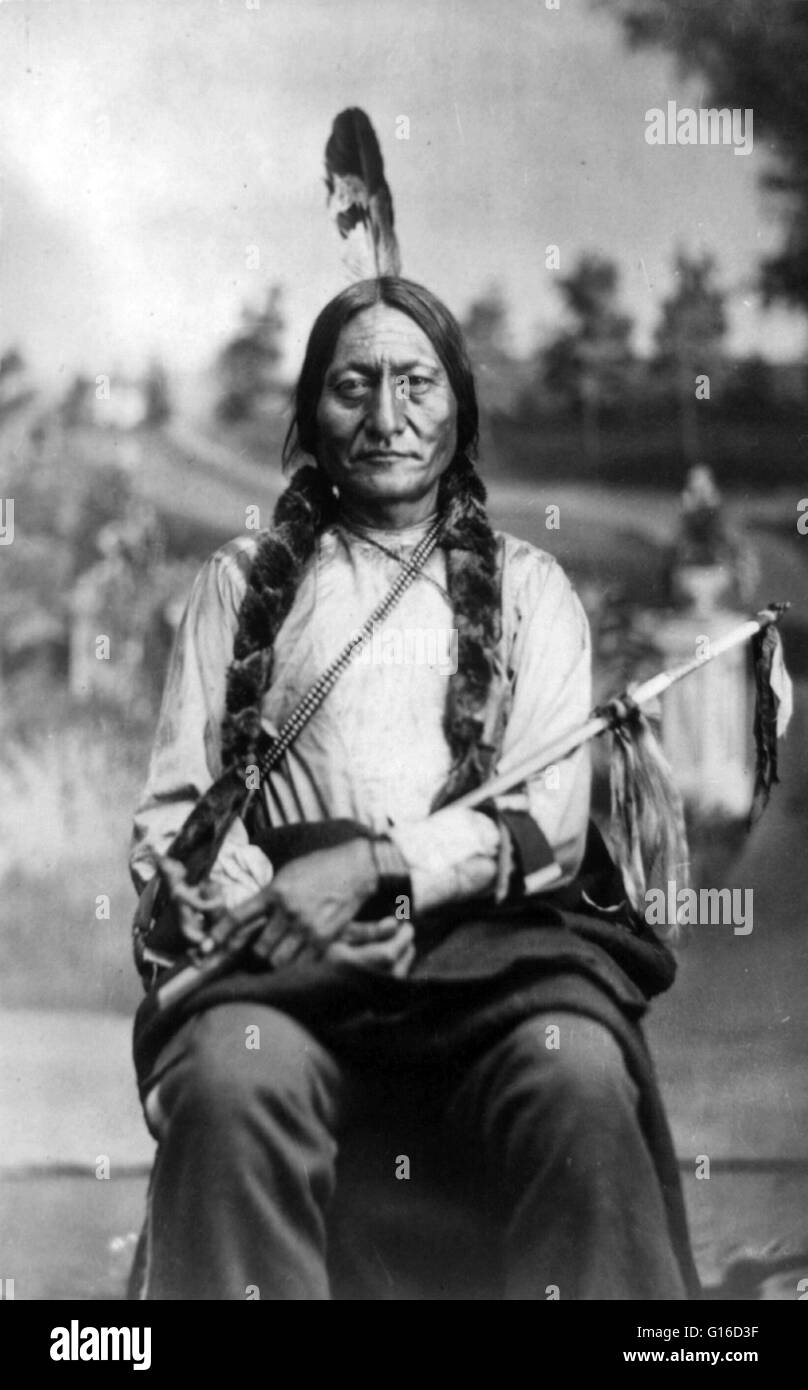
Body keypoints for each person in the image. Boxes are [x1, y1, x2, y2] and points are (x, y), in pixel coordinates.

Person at [129, 276, 698, 1301]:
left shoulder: (530, 592)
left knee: (571, 1071)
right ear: (309, 415)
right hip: (287, 950)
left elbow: (548, 828)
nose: (386, 418)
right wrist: (282, 911)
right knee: (228, 1079)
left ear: (459, 410)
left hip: (491, 950)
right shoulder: (235, 582)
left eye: (416, 384)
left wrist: (381, 869)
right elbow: (178, 814)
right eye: (354, 385)